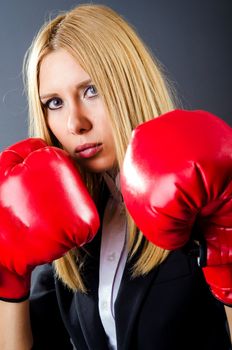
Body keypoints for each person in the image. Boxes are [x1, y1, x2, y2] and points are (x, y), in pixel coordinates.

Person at [0, 3, 231, 350]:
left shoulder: (202, 187)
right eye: (54, 103)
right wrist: (8, 278)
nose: (75, 123)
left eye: (91, 90)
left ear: (128, 87)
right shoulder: (69, 220)